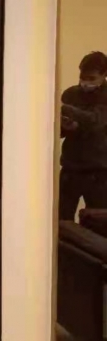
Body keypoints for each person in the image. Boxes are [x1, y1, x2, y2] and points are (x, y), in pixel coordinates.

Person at [60, 51, 107, 220]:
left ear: (104, 75)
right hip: (71, 169)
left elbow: (95, 120)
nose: (85, 83)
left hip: (99, 172)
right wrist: (66, 126)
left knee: (98, 222)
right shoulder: (70, 94)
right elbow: (58, 131)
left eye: (92, 78)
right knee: (61, 221)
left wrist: (62, 108)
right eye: (82, 77)